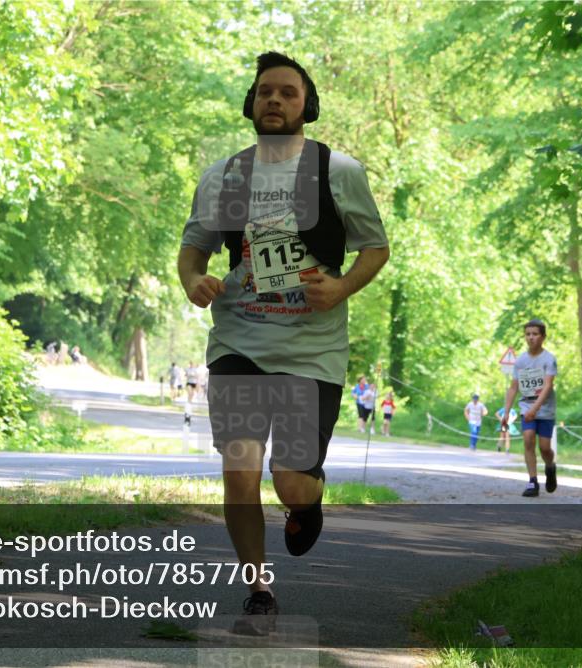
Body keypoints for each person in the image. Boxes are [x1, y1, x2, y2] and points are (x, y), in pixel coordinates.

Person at [178, 51, 388, 630]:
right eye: (265, 91)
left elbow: (376, 248)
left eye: (288, 93)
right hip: (238, 342)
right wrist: (196, 280)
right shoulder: (224, 175)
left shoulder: (338, 170)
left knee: (290, 480)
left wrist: (342, 287)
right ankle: (259, 589)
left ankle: (307, 500)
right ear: (251, 102)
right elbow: (193, 249)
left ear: (307, 106)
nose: (275, 99)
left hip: (310, 351)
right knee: (239, 467)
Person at [502, 319, 558, 498]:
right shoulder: (520, 361)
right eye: (528, 334)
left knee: (545, 448)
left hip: (545, 407)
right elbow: (513, 387)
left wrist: (536, 408)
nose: (531, 337)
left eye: (535, 334)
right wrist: (506, 411)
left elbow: (548, 386)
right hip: (526, 405)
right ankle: (532, 481)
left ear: (543, 337)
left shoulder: (549, 359)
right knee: (527, 439)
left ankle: (550, 467)